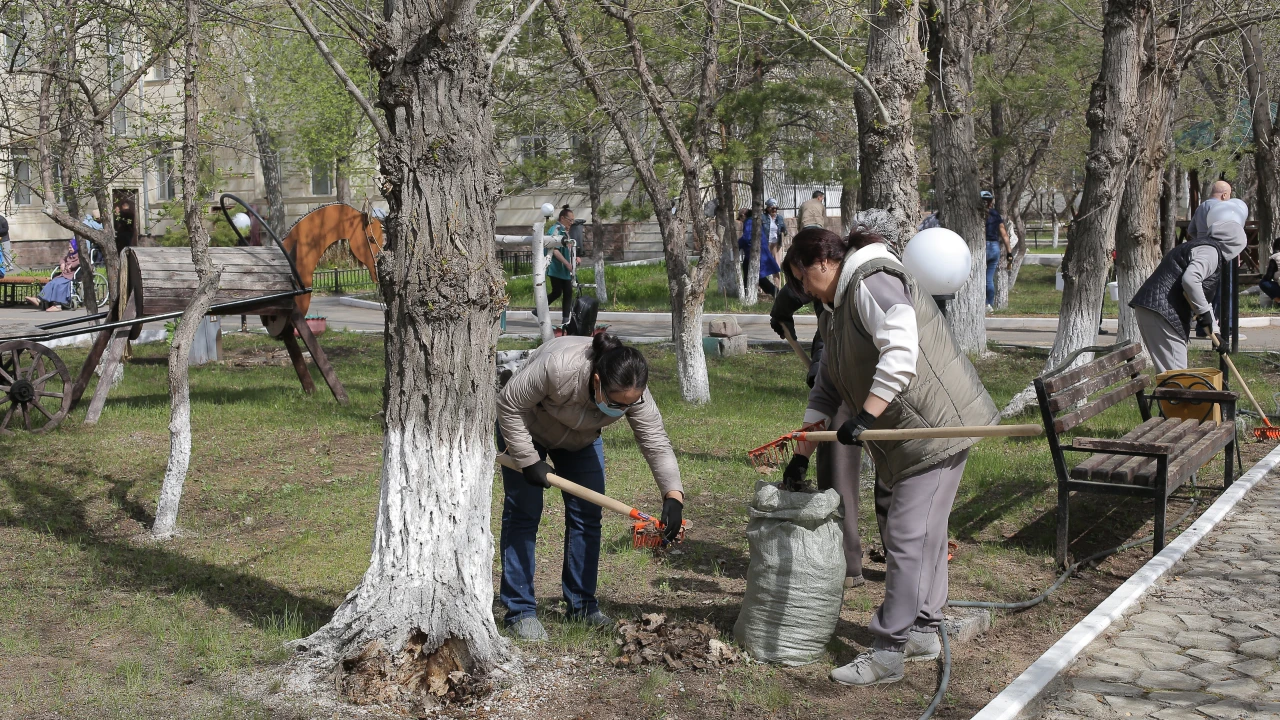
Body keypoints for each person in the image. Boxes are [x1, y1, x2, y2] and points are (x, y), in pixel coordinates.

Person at [781, 226, 998, 687]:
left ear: (820, 263)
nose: (800, 291)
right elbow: (827, 383)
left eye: (800, 279)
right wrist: (803, 451)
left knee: (906, 533)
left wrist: (864, 416)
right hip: (914, 432)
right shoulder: (836, 306)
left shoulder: (871, 281)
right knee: (925, 535)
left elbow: (901, 353)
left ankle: (887, 652)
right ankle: (921, 629)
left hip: (937, 427)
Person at [496, 332, 685, 641]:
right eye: (614, 402)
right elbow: (509, 404)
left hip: (580, 440)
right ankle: (520, 612)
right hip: (526, 429)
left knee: (588, 516)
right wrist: (528, 460)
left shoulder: (632, 390)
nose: (622, 409)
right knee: (523, 514)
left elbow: (655, 441)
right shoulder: (557, 368)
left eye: (629, 404)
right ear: (597, 380)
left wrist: (673, 495)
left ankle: (583, 607)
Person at [770, 281, 865, 589]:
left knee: (883, 474)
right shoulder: (825, 267)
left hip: (877, 369)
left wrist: (781, 311)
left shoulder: (834, 267)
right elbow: (796, 290)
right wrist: (800, 456)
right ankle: (850, 564)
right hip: (839, 365)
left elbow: (795, 291)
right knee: (839, 463)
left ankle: (900, 561)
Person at [1130, 200, 1248, 372]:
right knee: (1176, 375)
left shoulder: (1204, 247)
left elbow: (1199, 295)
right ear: (1233, 245)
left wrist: (1215, 332)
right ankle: (1176, 399)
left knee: (1172, 374)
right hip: (1162, 311)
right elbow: (1190, 281)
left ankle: (1172, 398)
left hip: (1158, 309)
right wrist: (1203, 313)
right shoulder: (1211, 252)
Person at [26, 240, 80, 312]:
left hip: (71, 275)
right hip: (64, 275)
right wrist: (62, 263)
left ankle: (58, 306)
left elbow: (80, 262)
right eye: (69, 247)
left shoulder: (79, 255)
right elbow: (62, 259)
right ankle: (38, 299)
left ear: (75, 247)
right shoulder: (69, 254)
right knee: (52, 282)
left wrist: (72, 265)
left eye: (71, 247)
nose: (69, 249)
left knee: (58, 284)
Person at [544, 207, 577, 324]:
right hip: (556, 268)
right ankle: (539, 311)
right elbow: (554, 250)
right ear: (562, 218)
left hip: (562, 270)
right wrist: (567, 263)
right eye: (570, 220)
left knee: (566, 292)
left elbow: (567, 249)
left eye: (573, 220)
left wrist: (574, 258)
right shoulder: (556, 230)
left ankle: (565, 320)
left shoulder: (564, 231)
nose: (571, 223)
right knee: (559, 292)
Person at [739, 209, 781, 298]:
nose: (740, 220)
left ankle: (774, 292)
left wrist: (737, 245)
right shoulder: (753, 221)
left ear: (743, 215)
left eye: (740, 217)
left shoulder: (749, 222)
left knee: (757, 274)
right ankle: (748, 292)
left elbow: (747, 238)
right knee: (749, 270)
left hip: (756, 252)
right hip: (757, 251)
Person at [983, 191, 1012, 312]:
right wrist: (1009, 253)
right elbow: (1004, 234)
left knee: (976, 276)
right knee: (989, 279)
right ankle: (988, 305)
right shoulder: (995, 214)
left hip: (981, 247)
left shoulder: (977, 215)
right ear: (991, 202)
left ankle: (980, 302)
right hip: (994, 247)